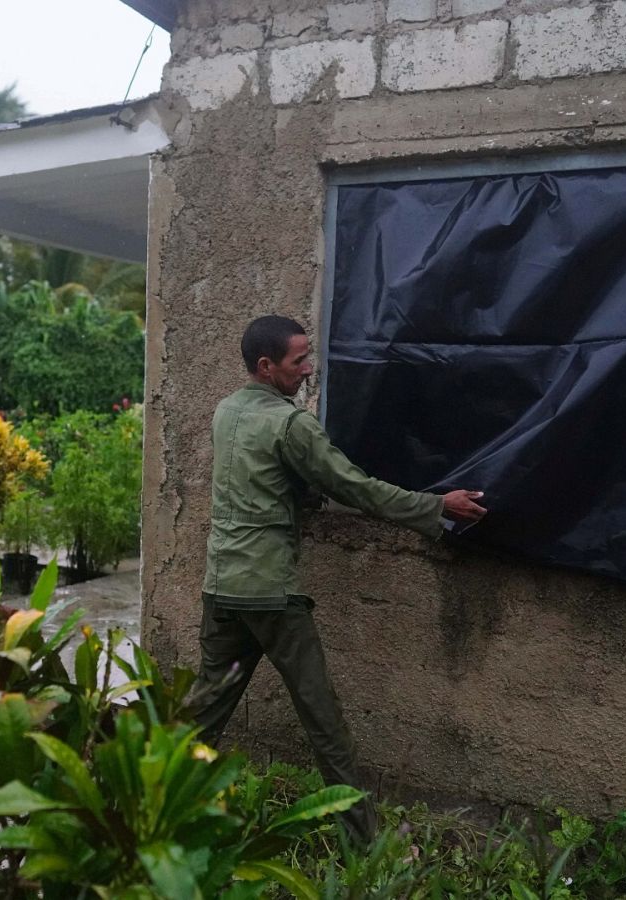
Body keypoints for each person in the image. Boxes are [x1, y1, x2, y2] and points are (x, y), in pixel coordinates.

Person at [189, 314, 487, 843]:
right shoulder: (291, 425)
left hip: (223, 586)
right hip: (270, 594)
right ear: (266, 366)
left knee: (201, 715)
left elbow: (261, 480)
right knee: (324, 721)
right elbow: (356, 488)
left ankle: (151, 811)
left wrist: (299, 495)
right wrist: (435, 505)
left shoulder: (227, 410)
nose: (309, 369)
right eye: (298, 360)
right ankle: (365, 841)